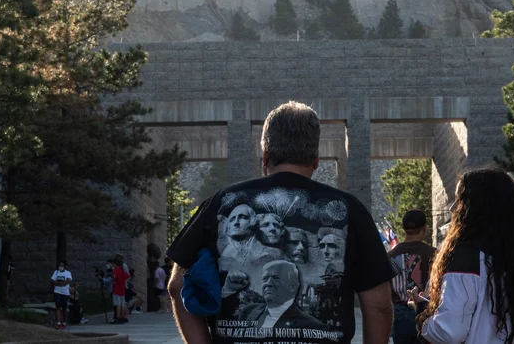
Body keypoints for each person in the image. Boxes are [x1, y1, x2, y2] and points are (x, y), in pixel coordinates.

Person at [167, 101, 395, 344]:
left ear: (265, 157)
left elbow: (177, 284)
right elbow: (379, 305)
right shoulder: (352, 209)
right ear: (316, 161)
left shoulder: (223, 200)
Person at [412, 168, 514, 344]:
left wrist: (422, 313)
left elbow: (449, 332)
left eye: (459, 200)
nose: (453, 208)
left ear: (474, 207)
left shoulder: (466, 257)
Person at [387, 209, 435, 344]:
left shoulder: (390, 256)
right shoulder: (434, 254)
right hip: (425, 312)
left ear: (404, 229)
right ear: (424, 228)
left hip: (399, 315)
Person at [228, 261, 324, 328]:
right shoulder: (248, 311)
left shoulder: (312, 325)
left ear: (293, 286)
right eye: (265, 279)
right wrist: (229, 289)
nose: (268, 283)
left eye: (276, 278)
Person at [51, 261, 73, 329]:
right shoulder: (56, 272)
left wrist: (61, 283)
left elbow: (68, 281)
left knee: (64, 307)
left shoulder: (68, 273)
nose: (60, 267)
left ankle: (64, 322)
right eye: (59, 266)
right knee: (58, 306)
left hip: (65, 292)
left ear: (64, 266)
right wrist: (60, 283)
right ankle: (58, 322)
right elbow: (52, 280)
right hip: (57, 291)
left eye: (61, 266)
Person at [112, 258, 130, 324]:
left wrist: (114, 282)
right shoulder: (122, 270)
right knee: (122, 303)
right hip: (122, 288)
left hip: (117, 289)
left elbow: (114, 276)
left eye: (113, 263)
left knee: (117, 304)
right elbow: (128, 276)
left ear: (115, 264)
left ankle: (118, 317)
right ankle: (123, 317)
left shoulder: (116, 269)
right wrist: (123, 281)